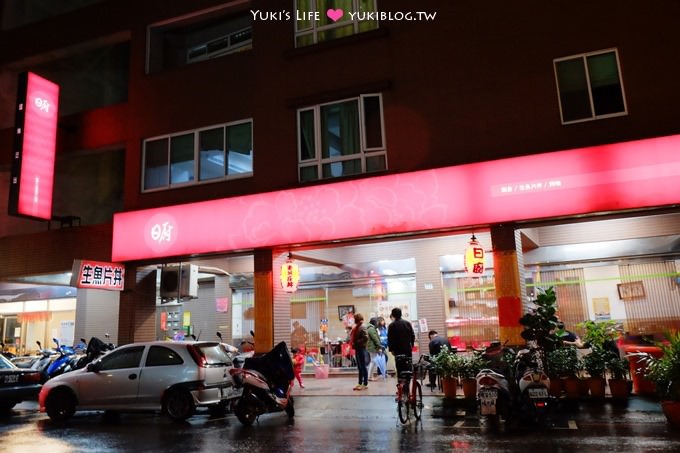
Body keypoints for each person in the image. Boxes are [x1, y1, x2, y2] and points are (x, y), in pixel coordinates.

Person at [387, 307, 415, 381]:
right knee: (408, 365)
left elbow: (390, 339)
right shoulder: (407, 323)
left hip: (398, 350)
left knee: (399, 366)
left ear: (393, 315)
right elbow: (412, 335)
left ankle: (400, 384)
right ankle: (408, 382)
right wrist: (411, 345)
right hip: (407, 349)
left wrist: (391, 349)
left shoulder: (391, 325)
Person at [350, 313, 370, 390]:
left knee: (363, 366)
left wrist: (357, 342)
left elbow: (365, 337)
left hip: (361, 348)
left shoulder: (362, 326)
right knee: (360, 367)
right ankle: (360, 383)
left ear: (357, 319)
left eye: (354, 318)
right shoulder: (358, 326)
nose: (354, 320)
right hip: (358, 348)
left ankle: (365, 384)